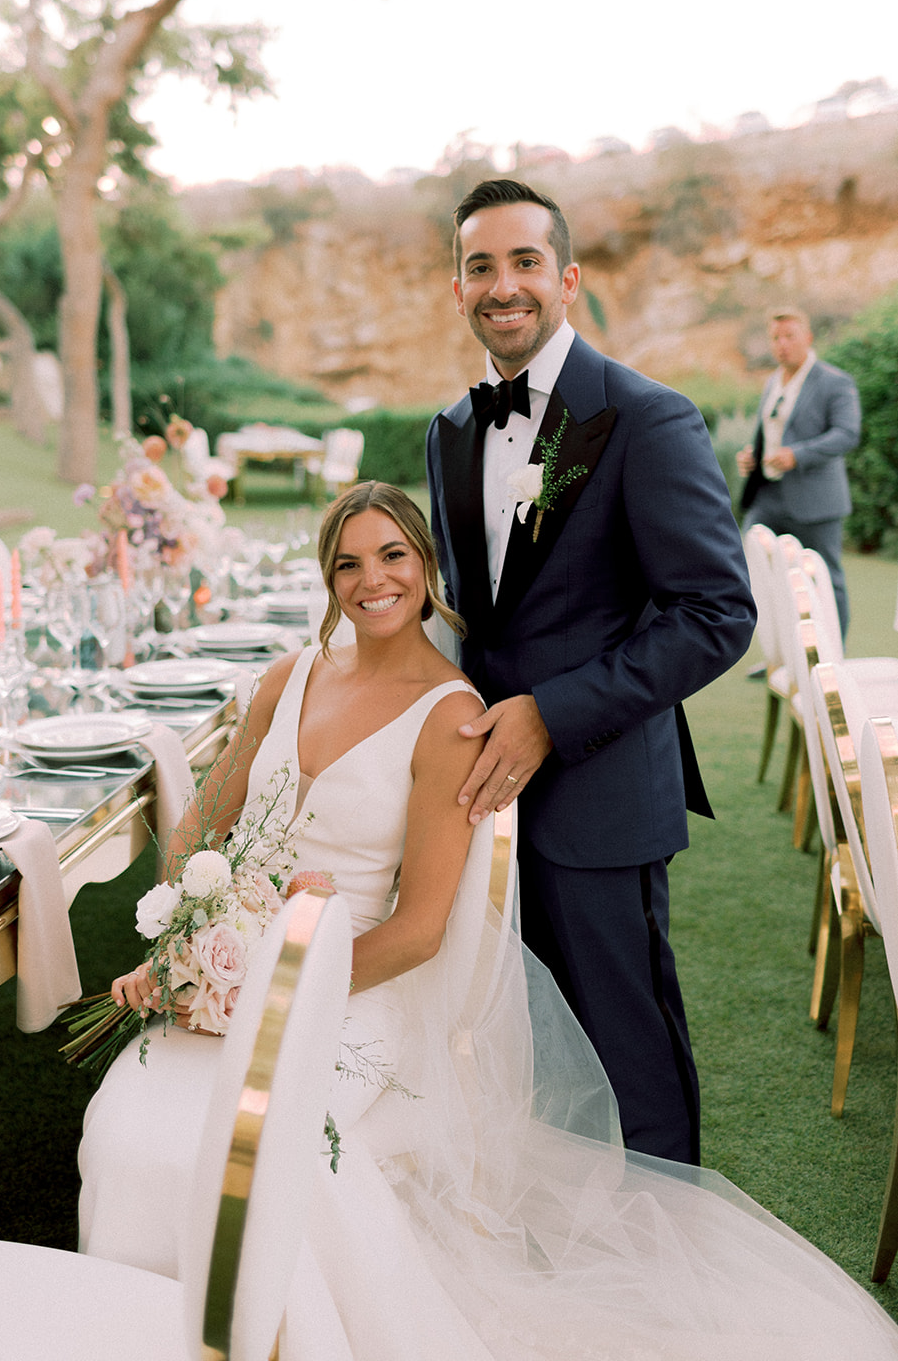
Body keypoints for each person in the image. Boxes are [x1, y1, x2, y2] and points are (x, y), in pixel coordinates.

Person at [78, 482, 898, 1360]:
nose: (372, 580)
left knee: (249, 1149)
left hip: (355, 990)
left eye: (393, 555)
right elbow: (202, 822)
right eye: (348, 562)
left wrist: (270, 995)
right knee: (125, 1123)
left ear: (427, 569)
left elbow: (422, 928)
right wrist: (191, 949)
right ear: (327, 579)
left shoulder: (451, 717)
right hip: (233, 973)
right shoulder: (289, 677)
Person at [426, 178, 756, 1166]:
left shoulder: (647, 419)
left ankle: (669, 1262)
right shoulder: (449, 429)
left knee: (629, 1059)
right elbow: (476, 617)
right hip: (483, 804)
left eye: (525, 261)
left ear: (566, 279)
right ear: (458, 290)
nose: (504, 284)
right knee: (524, 1051)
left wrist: (552, 715)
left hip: (602, 796)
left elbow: (717, 612)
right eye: (481, 265)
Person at [737, 306, 861, 639]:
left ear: (807, 337)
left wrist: (798, 455)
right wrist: (754, 456)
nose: (782, 344)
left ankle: (834, 656)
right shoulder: (772, 382)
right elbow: (770, 432)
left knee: (825, 579)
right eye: (775, 337)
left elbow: (847, 434)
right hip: (767, 498)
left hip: (815, 501)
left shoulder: (835, 381)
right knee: (761, 573)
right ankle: (782, 656)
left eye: (789, 336)